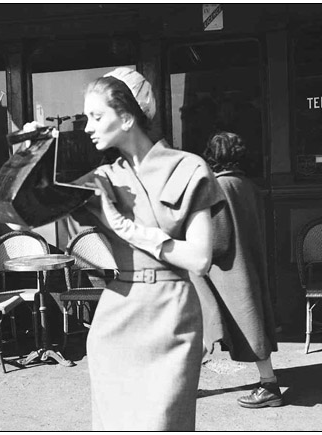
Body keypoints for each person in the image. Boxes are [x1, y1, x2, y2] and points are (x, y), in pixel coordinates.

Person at [55, 67, 225, 430]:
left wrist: (126, 228)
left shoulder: (188, 167)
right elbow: (20, 215)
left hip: (172, 315)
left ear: (128, 117)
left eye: (96, 116)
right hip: (117, 318)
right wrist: (25, 158)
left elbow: (199, 259)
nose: (87, 126)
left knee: (163, 422)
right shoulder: (102, 179)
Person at [197, 131, 282, 408]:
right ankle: (267, 381)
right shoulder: (246, 184)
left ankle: (270, 386)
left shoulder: (217, 187)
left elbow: (218, 240)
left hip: (226, 269)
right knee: (251, 320)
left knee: (205, 322)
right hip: (249, 262)